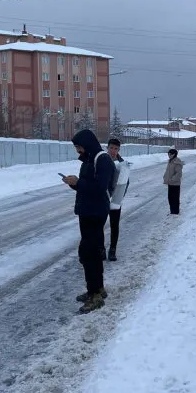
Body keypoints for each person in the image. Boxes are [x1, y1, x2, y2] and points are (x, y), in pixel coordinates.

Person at [62, 129, 115, 314]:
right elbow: (87, 187)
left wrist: (79, 183)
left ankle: (95, 296)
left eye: (79, 147)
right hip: (87, 211)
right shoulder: (88, 160)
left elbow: (100, 188)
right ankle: (97, 288)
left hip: (95, 213)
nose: (78, 150)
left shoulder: (103, 159)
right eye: (76, 147)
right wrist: (74, 184)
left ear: (87, 144)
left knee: (88, 253)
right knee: (91, 251)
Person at [105, 138, 130, 261]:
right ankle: (101, 250)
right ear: (107, 148)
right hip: (103, 199)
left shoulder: (122, 164)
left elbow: (126, 182)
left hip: (115, 201)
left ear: (119, 150)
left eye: (116, 149)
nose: (113, 151)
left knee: (114, 226)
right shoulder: (101, 161)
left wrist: (119, 197)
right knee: (99, 226)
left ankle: (113, 250)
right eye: (111, 148)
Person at [163, 148, 184, 214]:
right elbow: (168, 171)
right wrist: (165, 177)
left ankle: (176, 212)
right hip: (170, 183)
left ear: (174, 154)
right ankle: (172, 211)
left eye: (170, 154)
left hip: (175, 184)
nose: (168, 155)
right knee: (170, 198)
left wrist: (172, 180)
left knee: (175, 198)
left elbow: (179, 174)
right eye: (168, 154)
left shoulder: (177, 162)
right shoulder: (170, 161)